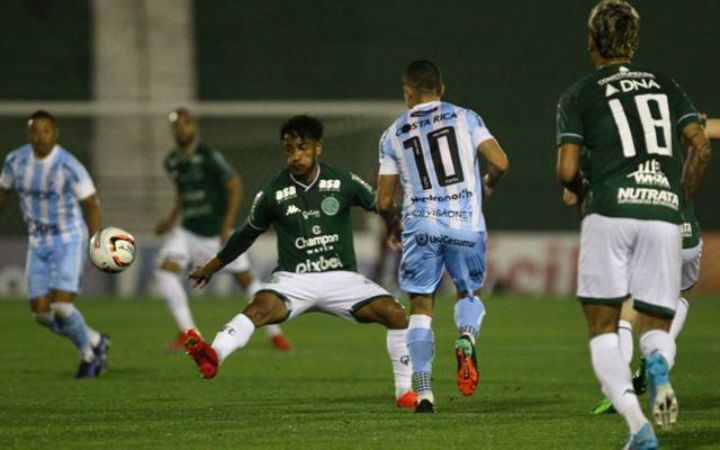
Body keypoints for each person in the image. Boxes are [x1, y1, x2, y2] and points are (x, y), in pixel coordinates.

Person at [556, 1, 711, 448]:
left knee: (605, 328)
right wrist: (679, 197)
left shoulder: (579, 94)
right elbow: (700, 148)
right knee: (657, 327)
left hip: (609, 211)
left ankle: (638, 426)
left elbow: (567, 173)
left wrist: (587, 194)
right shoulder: (666, 85)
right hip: (665, 214)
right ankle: (658, 366)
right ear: (634, 42)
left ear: (591, 43)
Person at [183, 114, 417, 410]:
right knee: (257, 308)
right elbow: (245, 235)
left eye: (301, 148)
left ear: (318, 148)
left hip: (341, 278)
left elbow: (380, 204)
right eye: (289, 149)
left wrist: (395, 223)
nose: (294, 156)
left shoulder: (342, 180)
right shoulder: (273, 193)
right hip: (295, 280)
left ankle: (404, 392)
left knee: (395, 313)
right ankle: (213, 356)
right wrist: (211, 267)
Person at [377, 60, 509, 413]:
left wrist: (394, 224)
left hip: (422, 226)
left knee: (421, 306)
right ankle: (466, 337)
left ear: (408, 93)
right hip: (465, 222)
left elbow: (384, 200)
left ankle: (423, 392)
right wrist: (488, 184)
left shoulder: (392, 134)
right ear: (442, 88)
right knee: (468, 291)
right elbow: (500, 161)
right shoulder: (466, 117)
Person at [154, 108, 291, 352]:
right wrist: (170, 219)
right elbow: (182, 193)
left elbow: (235, 186)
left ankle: (276, 335)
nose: (181, 129)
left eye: (185, 124)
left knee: (246, 279)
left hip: (214, 232)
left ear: (193, 127)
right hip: (187, 231)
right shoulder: (173, 161)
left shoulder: (209, 156)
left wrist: (227, 223)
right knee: (165, 272)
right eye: (176, 125)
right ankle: (189, 333)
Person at [0, 110, 110, 379]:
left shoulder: (68, 165)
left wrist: (96, 242)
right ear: (29, 134)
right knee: (41, 314)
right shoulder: (15, 161)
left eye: (46, 130)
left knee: (61, 307)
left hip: (68, 238)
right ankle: (95, 340)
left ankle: (89, 356)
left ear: (55, 133)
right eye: (35, 131)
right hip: (38, 240)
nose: (40, 136)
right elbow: (3, 192)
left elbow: (92, 204)